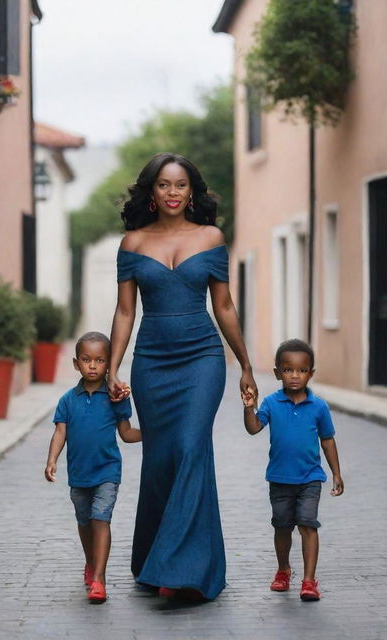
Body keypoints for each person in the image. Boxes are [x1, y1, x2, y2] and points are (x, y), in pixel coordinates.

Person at [108, 152, 257, 600]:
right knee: (160, 459)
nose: (173, 193)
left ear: (192, 191)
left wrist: (245, 364)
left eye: (180, 185)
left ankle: (181, 567)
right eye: (164, 185)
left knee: (192, 447)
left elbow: (225, 306)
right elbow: (124, 311)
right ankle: (156, 560)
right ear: (151, 192)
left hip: (201, 358)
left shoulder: (211, 237)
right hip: (152, 360)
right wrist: (112, 368)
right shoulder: (132, 244)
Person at [242, 338, 344, 601]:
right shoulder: (271, 403)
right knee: (282, 527)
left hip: (310, 477)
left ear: (311, 372)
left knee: (308, 525)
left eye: (301, 370)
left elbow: (327, 440)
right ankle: (283, 569)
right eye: (288, 370)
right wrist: (248, 407)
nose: (295, 376)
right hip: (279, 478)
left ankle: (309, 581)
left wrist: (336, 472)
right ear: (277, 373)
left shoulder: (319, 406)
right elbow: (254, 428)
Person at [45, 331, 142, 604]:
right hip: (78, 474)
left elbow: (126, 433)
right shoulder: (67, 400)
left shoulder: (116, 397)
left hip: (107, 471)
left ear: (108, 364)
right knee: (85, 522)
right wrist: (52, 459)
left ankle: (99, 578)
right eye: (86, 360)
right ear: (76, 363)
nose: (92, 365)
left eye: (100, 360)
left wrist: (154, 432)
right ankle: (90, 563)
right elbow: (60, 433)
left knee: (101, 519)